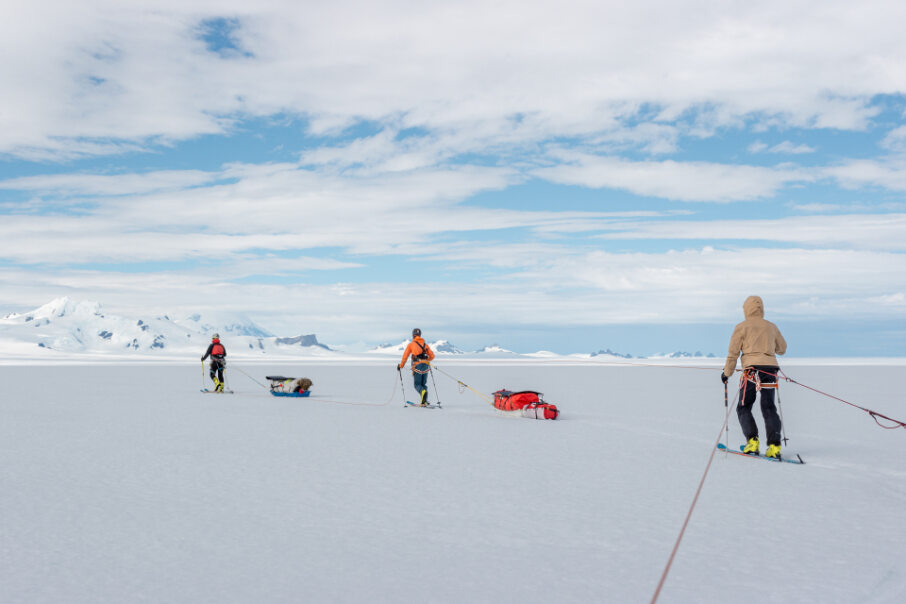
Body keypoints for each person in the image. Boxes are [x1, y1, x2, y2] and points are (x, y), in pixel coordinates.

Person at [721, 296, 787, 459]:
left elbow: (733, 354)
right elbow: (782, 349)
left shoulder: (741, 327)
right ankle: (774, 447)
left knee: (743, 406)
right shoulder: (771, 327)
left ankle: (752, 442)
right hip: (770, 370)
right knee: (769, 407)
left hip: (750, 371)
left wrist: (727, 373)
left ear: (746, 309)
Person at [398, 328, 435, 405]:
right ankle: (424, 401)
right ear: (420, 335)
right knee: (423, 384)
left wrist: (401, 366)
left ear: (413, 335)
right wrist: (426, 358)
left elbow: (405, 356)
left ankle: (423, 396)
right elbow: (432, 356)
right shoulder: (425, 345)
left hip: (417, 366)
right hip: (426, 366)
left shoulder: (411, 345)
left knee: (417, 385)